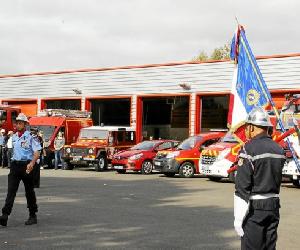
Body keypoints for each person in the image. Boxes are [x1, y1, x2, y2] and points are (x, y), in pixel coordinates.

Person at [234, 107, 286, 249]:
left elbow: (242, 187)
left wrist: (238, 219)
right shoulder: (278, 149)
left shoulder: (248, 149)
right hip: (274, 206)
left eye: (246, 127)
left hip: (254, 210)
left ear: (251, 127)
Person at [0, 113, 41, 227]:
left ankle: (33, 215)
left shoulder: (31, 136)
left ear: (25, 124)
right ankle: (5, 215)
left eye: (20, 123)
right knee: (11, 191)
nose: (17, 125)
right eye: (16, 123)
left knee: (29, 191)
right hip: (15, 166)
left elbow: (37, 151)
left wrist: (32, 163)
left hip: (27, 166)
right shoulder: (14, 136)